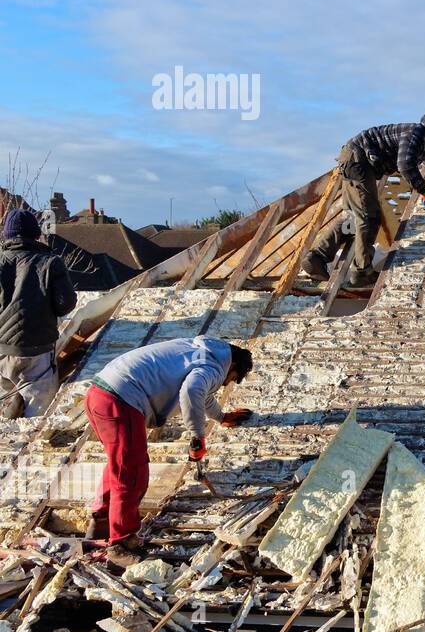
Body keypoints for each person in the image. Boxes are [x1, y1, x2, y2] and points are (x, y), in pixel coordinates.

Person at [84, 336, 254, 566]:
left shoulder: (200, 352)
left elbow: (203, 393)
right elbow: (192, 390)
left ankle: (101, 521)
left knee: (119, 464)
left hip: (100, 392)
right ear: (232, 366)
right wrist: (197, 435)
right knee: (133, 471)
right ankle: (121, 543)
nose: (226, 384)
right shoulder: (214, 366)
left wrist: (221, 417)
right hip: (122, 399)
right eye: (231, 379)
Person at [304, 113, 425, 288]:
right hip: (358, 162)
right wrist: (423, 189)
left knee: (352, 217)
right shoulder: (416, 134)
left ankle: (316, 258)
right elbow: (405, 164)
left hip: (355, 160)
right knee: (369, 217)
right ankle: (362, 272)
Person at [0, 208, 77, 419]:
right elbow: (65, 304)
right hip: (37, 350)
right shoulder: (50, 262)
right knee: (35, 415)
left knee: (6, 417)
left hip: (2, 352)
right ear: (36, 234)